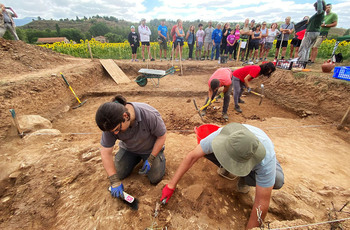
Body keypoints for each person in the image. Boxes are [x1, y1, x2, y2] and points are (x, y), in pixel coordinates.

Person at [160, 122, 284, 230]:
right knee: (204, 151)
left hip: (257, 158)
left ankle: (245, 179)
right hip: (235, 145)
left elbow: (261, 202)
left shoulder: (265, 160)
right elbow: (192, 156)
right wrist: (171, 185)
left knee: (277, 181)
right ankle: (227, 165)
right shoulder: (219, 136)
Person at [95, 95, 167, 198]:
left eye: (117, 129)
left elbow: (162, 136)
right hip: (129, 149)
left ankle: (152, 157)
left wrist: (151, 158)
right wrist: (114, 181)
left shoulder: (149, 115)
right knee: (118, 173)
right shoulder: (111, 123)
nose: (115, 133)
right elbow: (106, 152)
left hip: (150, 149)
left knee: (155, 178)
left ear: (125, 116)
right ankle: (135, 159)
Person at [298, 0, 326, 64]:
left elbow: (319, 9)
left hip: (311, 32)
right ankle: (304, 61)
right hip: (316, 32)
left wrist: (319, 1)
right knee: (307, 48)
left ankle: (300, 62)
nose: (315, 9)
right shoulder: (321, 15)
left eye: (315, 7)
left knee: (303, 47)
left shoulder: (320, 13)